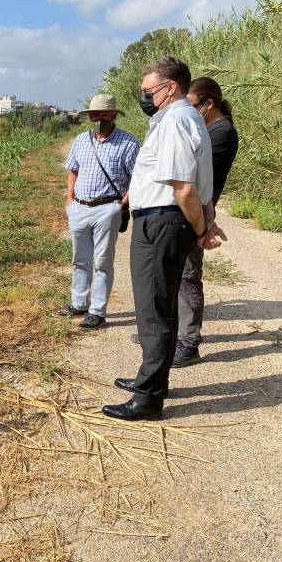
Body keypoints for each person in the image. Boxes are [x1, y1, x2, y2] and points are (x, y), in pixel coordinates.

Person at [103, 57, 227, 421]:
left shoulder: (175, 121)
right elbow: (200, 183)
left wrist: (203, 229)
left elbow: (185, 188)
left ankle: (149, 398)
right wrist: (204, 222)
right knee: (161, 306)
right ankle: (151, 379)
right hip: (163, 222)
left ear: (170, 87)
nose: (144, 96)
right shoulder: (184, 120)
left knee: (154, 311)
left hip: (160, 222)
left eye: (148, 90)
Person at [129, 77, 240, 367]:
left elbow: (193, 182)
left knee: (187, 277)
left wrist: (205, 224)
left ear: (208, 104)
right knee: (171, 280)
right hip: (188, 210)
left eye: (191, 105)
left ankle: (187, 342)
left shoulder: (221, 132)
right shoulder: (202, 126)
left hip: (191, 212)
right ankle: (166, 341)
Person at [53, 94, 139, 330]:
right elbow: (72, 169)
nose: (98, 119)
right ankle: (78, 303)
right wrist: (70, 198)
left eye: (102, 115)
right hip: (79, 207)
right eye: (94, 115)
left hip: (108, 208)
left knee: (102, 261)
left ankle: (97, 311)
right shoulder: (81, 140)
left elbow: (138, 178)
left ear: (113, 115)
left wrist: (122, 203)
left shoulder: (128, 143)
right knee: (79, 260)